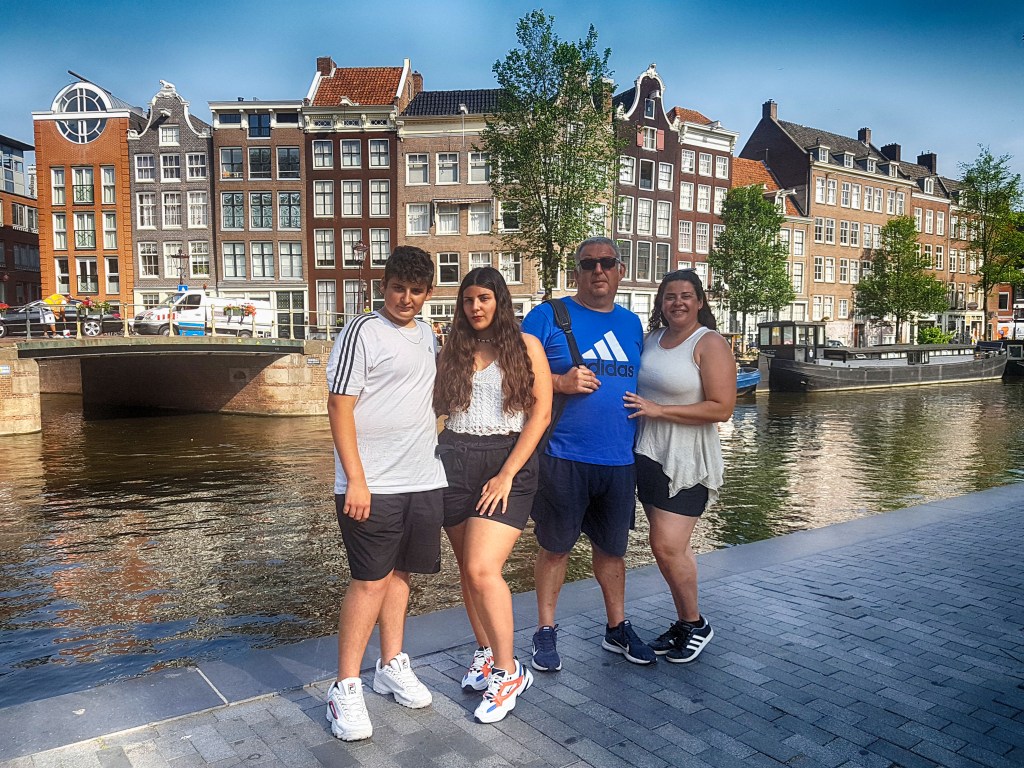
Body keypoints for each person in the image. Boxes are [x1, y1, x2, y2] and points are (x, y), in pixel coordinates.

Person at [324, 246, 447, 742]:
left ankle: (391, 663)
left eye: (416, 291)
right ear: (384, 286)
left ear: (428, 293)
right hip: (372, 484)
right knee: (369, 581)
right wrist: (356, 479)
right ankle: (345, 686)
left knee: (401, 575)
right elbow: (338, 405)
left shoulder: (429, 336)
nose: (406, 299)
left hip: (421, 477)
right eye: (398, 288)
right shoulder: (362, 331)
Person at [520, 237, 656, 671]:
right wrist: (559, 383)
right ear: (576, 271)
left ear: (620, 271)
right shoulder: (547, 316)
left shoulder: (632, 324)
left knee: (613, 550)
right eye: (589, 264)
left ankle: (617, 627)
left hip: (618, 459)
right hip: (563, 456)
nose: (598, 270)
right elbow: (510, 373)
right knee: (555, 548)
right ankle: (545, 630)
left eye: (607, 263)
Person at [434, 267, 552, 723]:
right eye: (468, 300)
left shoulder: (526, 346)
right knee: (468, 571)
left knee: (484, 568)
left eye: (483, 298)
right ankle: (485, 651)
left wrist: (506, 474)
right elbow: (436, 407)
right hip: (454, 458)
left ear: (499, 300)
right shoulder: (454, 347)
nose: (475, 307)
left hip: (506, 461)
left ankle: (508, 670)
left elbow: (540, 414)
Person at [623, 269, 736, 663]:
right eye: (669, 296)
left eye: (686, 295)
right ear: (661, 303)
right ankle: (686, 622)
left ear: (699, 301)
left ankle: (696, 623)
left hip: (686, 459)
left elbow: (722, 408)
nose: (678, 303)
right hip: (649, 453)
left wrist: (660, 410)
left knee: (667, 545)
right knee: (670, 546)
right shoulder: (652, 339)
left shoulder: (710, 343)